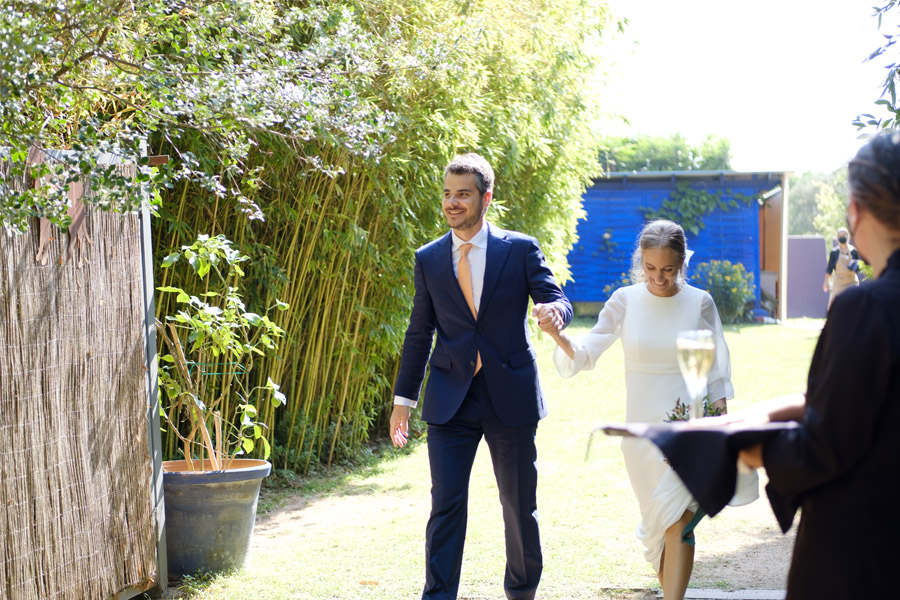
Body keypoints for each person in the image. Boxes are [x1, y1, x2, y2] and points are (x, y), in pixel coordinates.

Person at [390, 152, 573, 600]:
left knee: (517, 506)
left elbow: (557, 298)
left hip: (509, 395)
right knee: (445, 505)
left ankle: (521, 590)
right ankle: (438, 596)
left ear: (485, 198)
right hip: (450, 399)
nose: (452, 203)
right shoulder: (429, 258)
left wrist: (555, 313)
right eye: (448, 194)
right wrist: (403, 400)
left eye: (463, 195)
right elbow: (419, 333)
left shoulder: (521, 249)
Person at [735, 131, 900, 599]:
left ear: (856, 210)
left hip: (866, 559)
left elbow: (825, 447)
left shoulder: (866, 308)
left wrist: (748, 448)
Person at [540, 220, 734, 600]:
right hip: (641, 439)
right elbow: (584, 353)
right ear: (639, 262)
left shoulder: (700, 302)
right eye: (649, 268)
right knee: (660, 535)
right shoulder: (625, 301)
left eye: (667, 269)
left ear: (681, 263)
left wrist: (719, 430)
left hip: (688, 430)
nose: (658, 278)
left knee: (680, 525)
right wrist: (556, 334)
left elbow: (717, 374)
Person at [822, 226, 861, 309]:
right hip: (839, 282)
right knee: (834, 305)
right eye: (840, 235)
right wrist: (825, 282)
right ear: (837, 237)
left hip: (852, 281)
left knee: (854, 304)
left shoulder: (853, 251)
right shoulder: (834, 252)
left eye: (844, 234)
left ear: (848, 236)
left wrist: (855, 266)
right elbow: (830, 268)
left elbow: (859, 266)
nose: (842, 237)